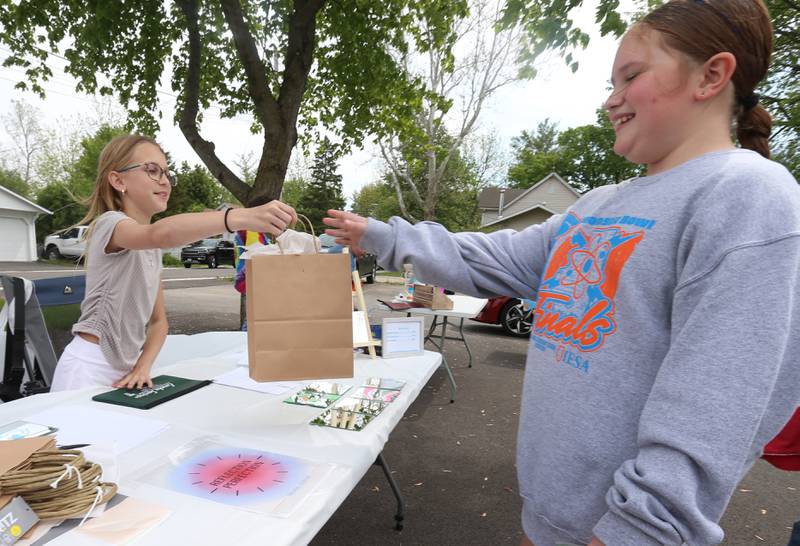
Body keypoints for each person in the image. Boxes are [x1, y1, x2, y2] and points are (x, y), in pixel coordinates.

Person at [324, 1, 800, 544]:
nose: (611, 98)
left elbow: (715, 410)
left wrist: (634, 531)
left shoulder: (747, 196)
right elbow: (495, 258)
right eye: (611, 81)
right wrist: (382, 236)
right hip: (550, 519)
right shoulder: (595, 205)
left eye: (632, 76)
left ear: (712, 76)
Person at [50, 135, 296, 392]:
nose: (165, 180)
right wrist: (239, 217)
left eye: (167, 173)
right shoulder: (110, 224)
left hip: (126, 373)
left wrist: (143, 366)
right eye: (152, 170)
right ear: (118, 180)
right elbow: (161, 234)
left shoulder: (151, 250)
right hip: (86, 369)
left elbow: (159, 323)